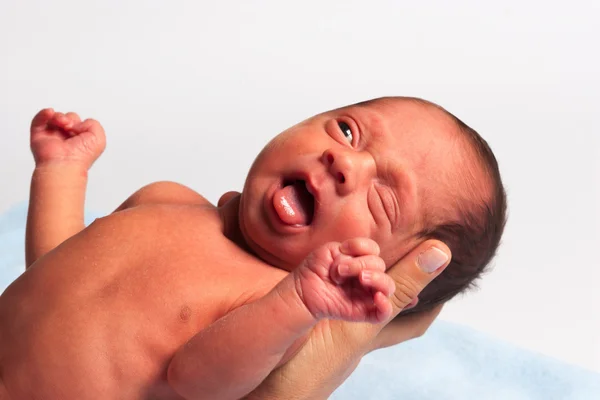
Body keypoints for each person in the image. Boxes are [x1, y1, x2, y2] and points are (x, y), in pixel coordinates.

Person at [0, 96, 505, 399]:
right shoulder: (167, 199)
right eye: (348, 129)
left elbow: (195, 380)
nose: (345, 162)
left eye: (382, 198)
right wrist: (61, 174)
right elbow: (52, 277)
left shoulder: (273, 307)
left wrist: (302, 302)